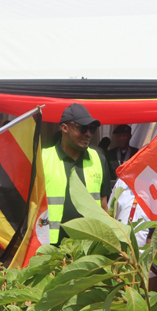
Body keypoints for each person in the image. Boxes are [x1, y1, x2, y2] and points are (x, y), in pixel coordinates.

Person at [42, 104, 111, 245]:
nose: (88, 134)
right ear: (65, 128)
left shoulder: (98, 159)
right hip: (50, 246)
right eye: (83, 128)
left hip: (89, 246)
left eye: (92, 129)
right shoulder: (43, 159)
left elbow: (104, 206)